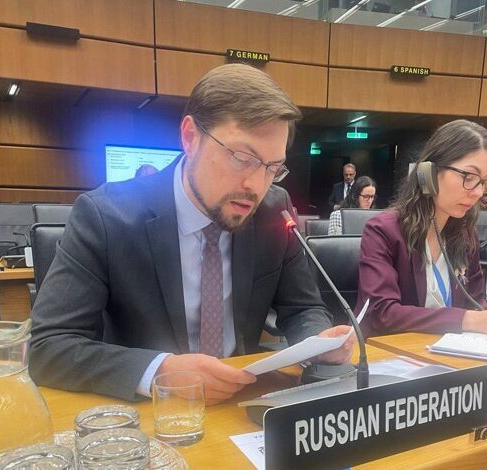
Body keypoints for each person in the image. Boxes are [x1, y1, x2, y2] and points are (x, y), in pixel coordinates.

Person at [28, 64, 355, 404]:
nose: (256, 186)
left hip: (243, 399)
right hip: (149, 410)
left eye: (272, 168)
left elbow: (302, 308)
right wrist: (159, 371)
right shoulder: (105, 216)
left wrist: (318, 342)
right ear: (190, 137)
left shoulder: (274, 209)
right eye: (242, 158)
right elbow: (47, 346)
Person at [355, 120, 487, 338]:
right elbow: (381, 314)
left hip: (449, 352)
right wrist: (467, 320)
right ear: (429, 173)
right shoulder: (383, 230)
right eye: (469, 177)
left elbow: (477, 304)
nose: (479, 192)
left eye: (485, 181)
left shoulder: (465, 234)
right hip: (390, 352)